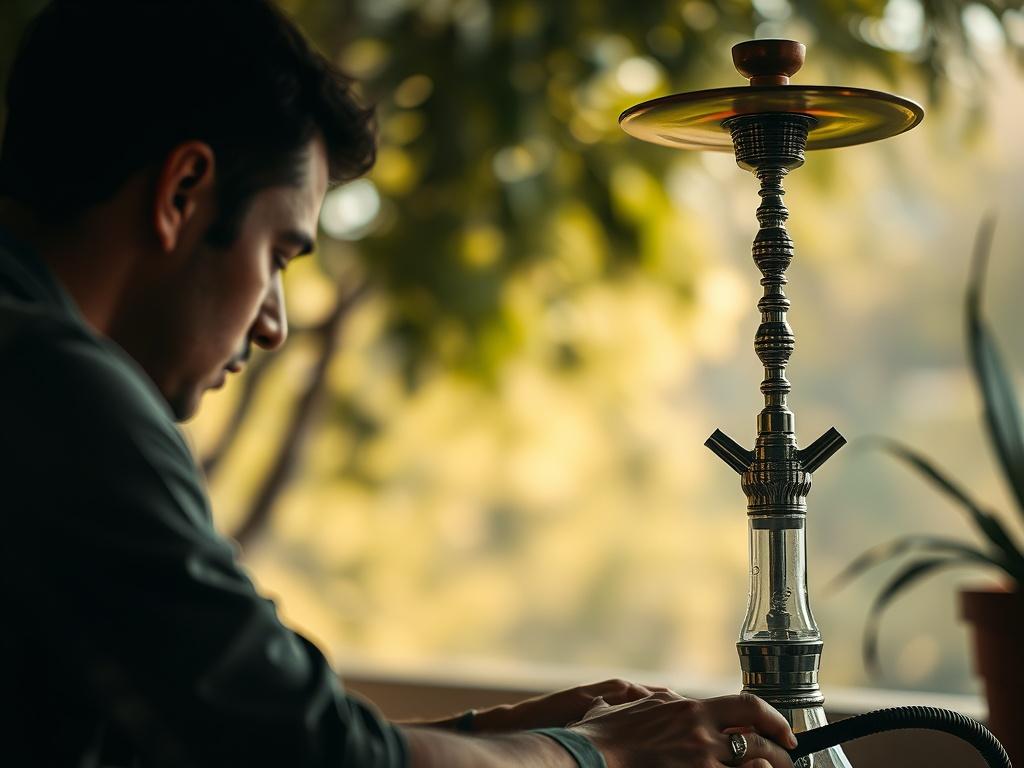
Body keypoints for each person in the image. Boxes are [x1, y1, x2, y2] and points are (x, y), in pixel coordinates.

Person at [0, 2, 798, 766]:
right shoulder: (58, 388)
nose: (273, 323)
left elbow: (215, 736)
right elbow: (314, 759)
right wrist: (606, 753)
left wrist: (500, 733)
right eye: (278, 255)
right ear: (182, 194)